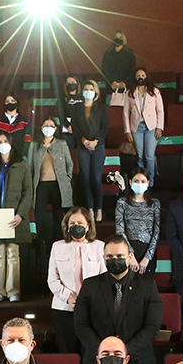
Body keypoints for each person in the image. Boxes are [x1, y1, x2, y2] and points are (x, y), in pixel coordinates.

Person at [73, 237, 162, 364]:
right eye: (110, 257)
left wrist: (123, 353)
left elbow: (152, 327)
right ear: (104, 258)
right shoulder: (90, 286)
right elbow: (81, 325)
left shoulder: (147, 285)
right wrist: (105, 353)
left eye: (120, 256)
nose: (115, 260)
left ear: (130, 257)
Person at [0, 134, 34, 303]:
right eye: (0, 142)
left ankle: (13, 291)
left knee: (13, 254)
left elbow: (28, 191)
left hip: (14, 216)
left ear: (11, 143)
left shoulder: (22, 164)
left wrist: (21, 214)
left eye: (5, 141)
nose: (3, 144)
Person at [48, 208, 105, 355]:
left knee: (90, 352)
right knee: (69, 352)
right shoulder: (57, 246)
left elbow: (104, 278)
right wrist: (68, 297)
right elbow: (52, 279)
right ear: (67, 226)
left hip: (92, 308)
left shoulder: (99, 247)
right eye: (72, 223)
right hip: (64, 308)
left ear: (88, 226)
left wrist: (88, 299)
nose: (76, 226)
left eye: (80, 222)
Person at [28, 118, 75, 268]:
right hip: (40, 185)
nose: (48, 128)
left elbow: (69, 164)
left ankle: (59, 247)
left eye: (51, 125)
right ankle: (42, 248)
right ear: (41, 127)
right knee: (40, 216)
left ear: (55, 128)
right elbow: (30, 166)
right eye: (45, 125)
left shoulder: (62, 144)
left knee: (58, 216)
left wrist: (67, 178)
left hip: (58, 185)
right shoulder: (34, 145)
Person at [69, 79, 110, 220]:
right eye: (86, 89)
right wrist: (84, 141)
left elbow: (104, 127)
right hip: (83, 146)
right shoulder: (77, 108)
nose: (88, 92)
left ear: (96, 92)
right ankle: (90, 209)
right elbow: (75, 127)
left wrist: (95, 141)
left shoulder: (101, 107)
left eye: (91, 90)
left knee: (96, 178)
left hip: (98, 146)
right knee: (85, 178)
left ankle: (99, 209)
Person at [123, 69, 165, 184]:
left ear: (147, 76)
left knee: (149, 156)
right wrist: (127, 131)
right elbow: (126, 113)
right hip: (136, 127)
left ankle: (150, 182)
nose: (140, 77)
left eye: (142, 75)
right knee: (140, 156)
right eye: (138, 76)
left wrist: (159, 127)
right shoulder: (130, 93)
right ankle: (141, 181)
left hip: (151, 127)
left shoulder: (154, 91)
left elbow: (160, 110)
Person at [113, 172, 159, 271]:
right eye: (136, 181)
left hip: (148, 251)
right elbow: (120, 230)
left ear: (148, 183)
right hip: (128, 249)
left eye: (143, 181)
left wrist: (147, 258)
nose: (139, 184)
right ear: (130, 182)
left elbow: (156, 231)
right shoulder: (122, 202)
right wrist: (130, 255)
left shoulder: (155, 203)